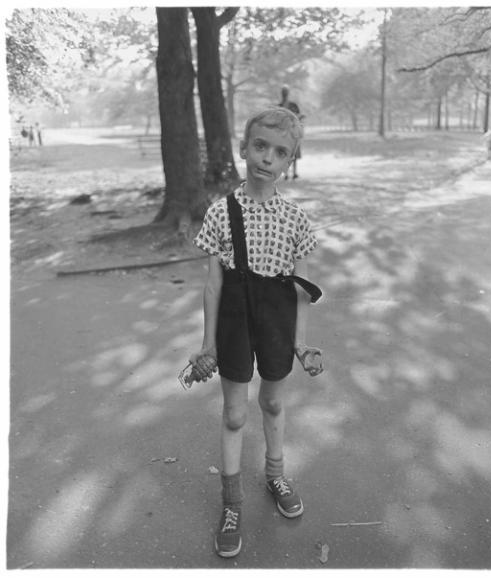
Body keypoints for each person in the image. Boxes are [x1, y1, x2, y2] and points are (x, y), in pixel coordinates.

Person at [185, 106, 323, 558]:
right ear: (244, 148)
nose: (267, 158)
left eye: (280, 152)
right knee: (234, 414)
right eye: (260, 146)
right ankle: (231, 503)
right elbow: (212, 284)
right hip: (234, 321)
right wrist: (208, 344)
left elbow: (302, 289)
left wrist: (301, 343)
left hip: (278, 321)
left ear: (290, 162)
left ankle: (275, 474)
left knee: (273, 402)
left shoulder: (297, 221)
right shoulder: (221, 213)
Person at [278, 86, 304, 179]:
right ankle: (287, 173)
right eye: (283, 92)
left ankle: (293, 173)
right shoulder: (280, 106)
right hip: (285, 133)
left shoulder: (291, 105)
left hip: (292, 133)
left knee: (292, 154)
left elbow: (299, 116)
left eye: (285, 92)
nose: (284, 94)